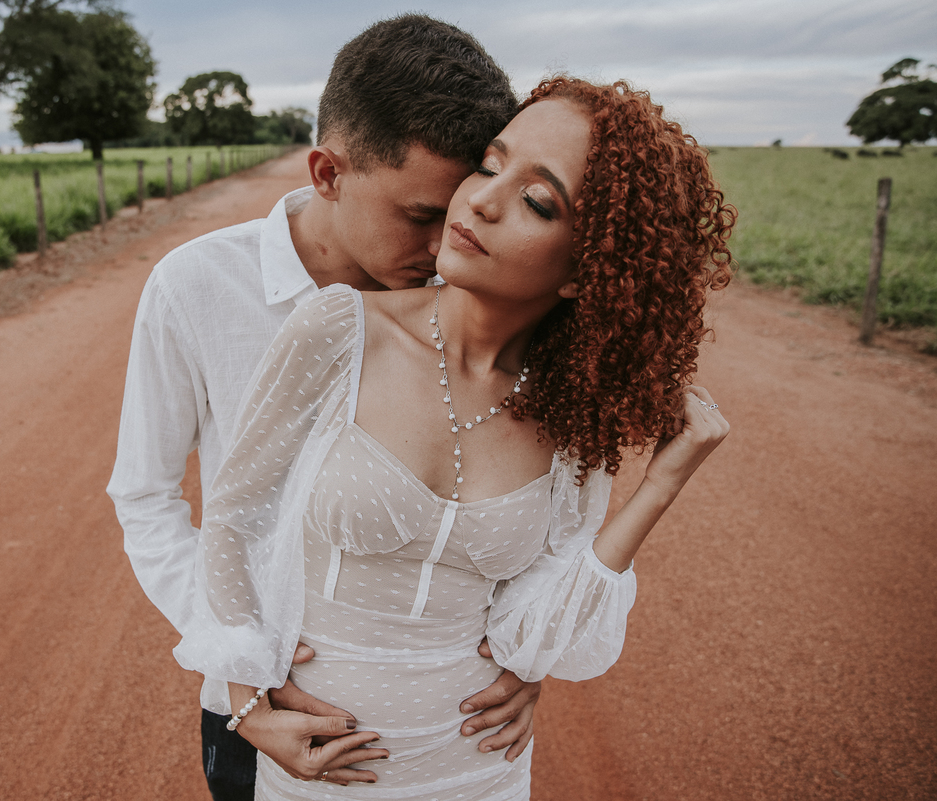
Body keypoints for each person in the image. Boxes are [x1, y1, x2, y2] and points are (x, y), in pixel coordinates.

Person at [173, 76, 736, 800]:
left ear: (584, 270)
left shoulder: (571, 412)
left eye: (538, 201)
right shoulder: (340, 330)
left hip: (479, 770)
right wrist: (247, 701)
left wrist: (659, 485)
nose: (481, 201)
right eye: (490, 164)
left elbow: (536, 636)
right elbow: (235, 513)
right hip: (320, 772)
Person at [107, 15, 539, 801]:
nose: (445, 245)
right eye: (421, 215)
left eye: (461, 212)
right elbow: (145, 495)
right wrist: (242, 660)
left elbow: (528, 497)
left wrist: (530, 652)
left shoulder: (477, 298)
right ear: (327, 173)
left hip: (447, 738)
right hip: (259, 718)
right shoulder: (196, 286)